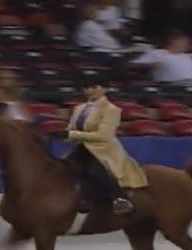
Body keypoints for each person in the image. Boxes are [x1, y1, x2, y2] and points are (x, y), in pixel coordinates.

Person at [49, 77, 148, 214]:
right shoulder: (78, 108)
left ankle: (119, 198)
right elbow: (72, 128)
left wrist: (72, 135)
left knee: (95, 171)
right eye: (86, 87)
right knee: (62, 169)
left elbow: (104, 135)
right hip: (81, 148)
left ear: (104, 89)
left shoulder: (111, 110)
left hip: (103, 150)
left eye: (94, 87)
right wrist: (61, 133)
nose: (89, 90)